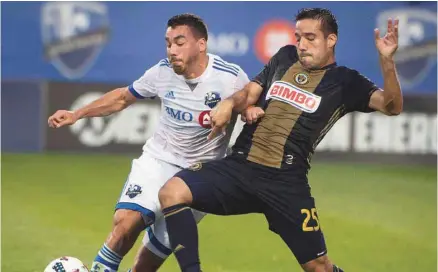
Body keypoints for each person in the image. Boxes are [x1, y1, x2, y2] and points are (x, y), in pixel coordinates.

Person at [158, 8, 403, 272]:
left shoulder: (346, 81)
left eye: (311, 38)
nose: (302, 45)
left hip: (286, 182)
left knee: (318, 266)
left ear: (331, 40)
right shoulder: (285, 57)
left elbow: (392, 106)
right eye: (298, 37)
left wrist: (387, 62)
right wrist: (230, 103)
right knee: (172, 192)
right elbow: (250, 92)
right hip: (240, 167)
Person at [47, 13, 258, 272]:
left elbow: (251, 100)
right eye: (168, 43)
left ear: (201, 44)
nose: (172, 50)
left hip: (200, 177)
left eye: (179, 42)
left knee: (145, 265)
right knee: (124, 224)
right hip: (159, 162)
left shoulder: (231, 77)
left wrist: (248, 109)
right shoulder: (161, 72)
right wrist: (77, 114)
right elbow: (123, 97)